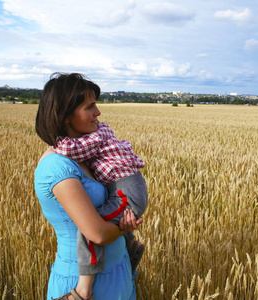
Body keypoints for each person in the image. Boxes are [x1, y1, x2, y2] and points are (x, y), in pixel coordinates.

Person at [34, 73, 142, 300]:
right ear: (65, 116)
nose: (98, 112)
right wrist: (127, 227)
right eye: (90, 106)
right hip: (83, 286)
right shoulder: (56, 167)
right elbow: (98, 234)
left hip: (117, 272)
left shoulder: (86, 156)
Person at [53, 121, 148, 293]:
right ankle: (131, 245)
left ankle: (83, 290)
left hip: (125, 193)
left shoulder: (96, 136)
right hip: (128, 189)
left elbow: (70, 150)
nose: (97, 112)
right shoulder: (101, 131)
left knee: (89, 230)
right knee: (108, 214)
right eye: (90, 107)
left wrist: (56, 140)